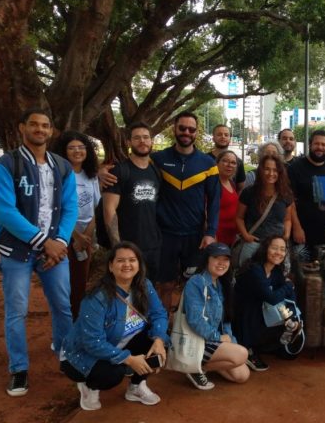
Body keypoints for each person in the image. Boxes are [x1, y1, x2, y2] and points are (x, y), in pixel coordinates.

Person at [0, 108, 78, 397]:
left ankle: (66, 354)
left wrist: (61, 241)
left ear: (51, 131)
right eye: (34, 125)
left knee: (62, 305)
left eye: (45, 126)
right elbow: (4, 211)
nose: (40, 130)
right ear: (22, 128)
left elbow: (70, 208)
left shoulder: (62, 167)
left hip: (55, 250)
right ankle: (18, 369)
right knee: (17, 311)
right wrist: (44, 242)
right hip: (17, 251)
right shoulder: (7, 164)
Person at [61, 242, 169, 411]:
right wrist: (129, 359)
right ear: (111, 266)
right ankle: (89, 386)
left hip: (118, 342)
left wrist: (159, 339)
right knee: (112, 374)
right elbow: (92, 342)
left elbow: (159, 314)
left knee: (158, 343)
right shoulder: (97, 298)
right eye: (120, 260)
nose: (127, 264)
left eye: (132, 260)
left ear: (139, 265)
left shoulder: (144, 285)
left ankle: (136, 387)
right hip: (80, 355)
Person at [150, 111, 220, 311]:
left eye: (191, 129)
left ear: (196, 133)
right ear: (174, 129)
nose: (186, 132)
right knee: (165, 284)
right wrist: (102, 172)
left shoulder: (208, 164)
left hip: (195, 236)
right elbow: (132, 168)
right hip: (165, 234)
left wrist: (210, 232)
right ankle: (162, 330)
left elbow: (214, 200)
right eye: (182, 128)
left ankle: (186, 330)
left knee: (192, 286)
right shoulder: (158, 159)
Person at [181, 243, 250, 390]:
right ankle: (193, 366)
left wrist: (230, 340)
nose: (221, 263)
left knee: (242, 375)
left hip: (213, 340)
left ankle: (200, 367)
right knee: (241, 354)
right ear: (207, 260)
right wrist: (218, 337)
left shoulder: (222, 283)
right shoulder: (197, 282)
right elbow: (195, 319)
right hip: (198, 340)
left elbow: (225, 320)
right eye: (216, 258)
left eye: (226, 259)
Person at [102, 122, 162, 281]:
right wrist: (117, 247)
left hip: (152, 245)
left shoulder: (155, 171)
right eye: (137, 138)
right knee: (126, 292)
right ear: (129, 142)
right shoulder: (120, 170)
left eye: (146, 137)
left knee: (148, 291)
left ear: (151, 141)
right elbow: (109, 209)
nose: (142, 141)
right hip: (128, 247)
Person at [234, 236, 302, 371]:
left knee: (290, 353)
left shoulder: (275, 270)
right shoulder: (255, 269)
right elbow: (271, 297)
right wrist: (289, 285)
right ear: (265, 249)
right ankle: (248, 348)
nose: (279, 252)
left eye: (282, 249)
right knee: (257, 306)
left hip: (260, 311)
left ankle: (264, 345)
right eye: (274, 248)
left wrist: (292, 316)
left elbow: (288, 295)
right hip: (242, 314)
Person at [53, 130, 101, 319]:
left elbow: (97, 206)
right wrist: (76, 236)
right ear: (64, 152)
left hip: (87, 236)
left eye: (81, 147)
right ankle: (64, 325)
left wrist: (87, 235)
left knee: (81, 282)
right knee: (64, 283)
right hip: (63, 236)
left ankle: (77, 321)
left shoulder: (91, 175)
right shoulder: (59, 175)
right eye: (72, 148)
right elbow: (55, 210)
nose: (77, 151)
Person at [288, 129, 325, 266]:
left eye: (323, 145)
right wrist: (296, 227)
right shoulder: (295, 167)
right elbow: (288, 201)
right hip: (305, 235)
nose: (320, 147)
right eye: (316, 144)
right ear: (310, 145)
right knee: (304, 277)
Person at [236, 153, 294, 267]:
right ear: (261, 171)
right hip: (254, 244)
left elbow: (287, 219)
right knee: (249, 277)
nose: (271, 173)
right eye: (267, 169)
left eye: (275, 170)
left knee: (278, 278)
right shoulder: (249, 192)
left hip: (277, 246)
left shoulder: (285, 194)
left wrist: (286, 234)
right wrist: (246, 235)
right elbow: (239, 217)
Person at [215, 150, 240, 246]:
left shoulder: (231, 183)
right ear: (217, 163)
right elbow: (206, 212)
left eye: (233, 163)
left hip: (231, 237)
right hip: (217, 238)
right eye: (225, 161)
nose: (229, 165)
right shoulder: (213, 184)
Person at [210, 124, 246, 191]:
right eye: (219, 134)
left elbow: (240, 188)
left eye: (226, 135)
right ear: (213, 138)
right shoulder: (204, 160)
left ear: (230, 138)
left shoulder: (238, 162)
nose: (223, 137)